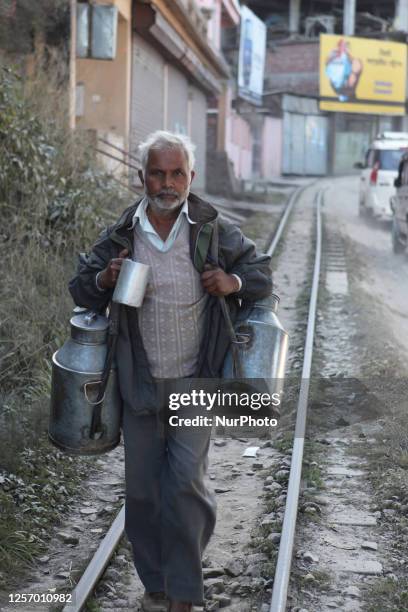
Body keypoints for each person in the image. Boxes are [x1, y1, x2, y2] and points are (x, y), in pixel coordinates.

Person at [69, 130, 272, 612]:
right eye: (157, 172)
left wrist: (232, 280)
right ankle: (156, 582)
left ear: (190, 176)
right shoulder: (122, 234)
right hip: (139, 382)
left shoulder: (211, 229)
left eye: (176, 172)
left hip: (194, 380)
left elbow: (262, 272)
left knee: (185, 484)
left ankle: (185, 592)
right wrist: (105, 277)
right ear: (142, 177)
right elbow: (81, 288)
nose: (167, 182)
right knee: (141, 491)